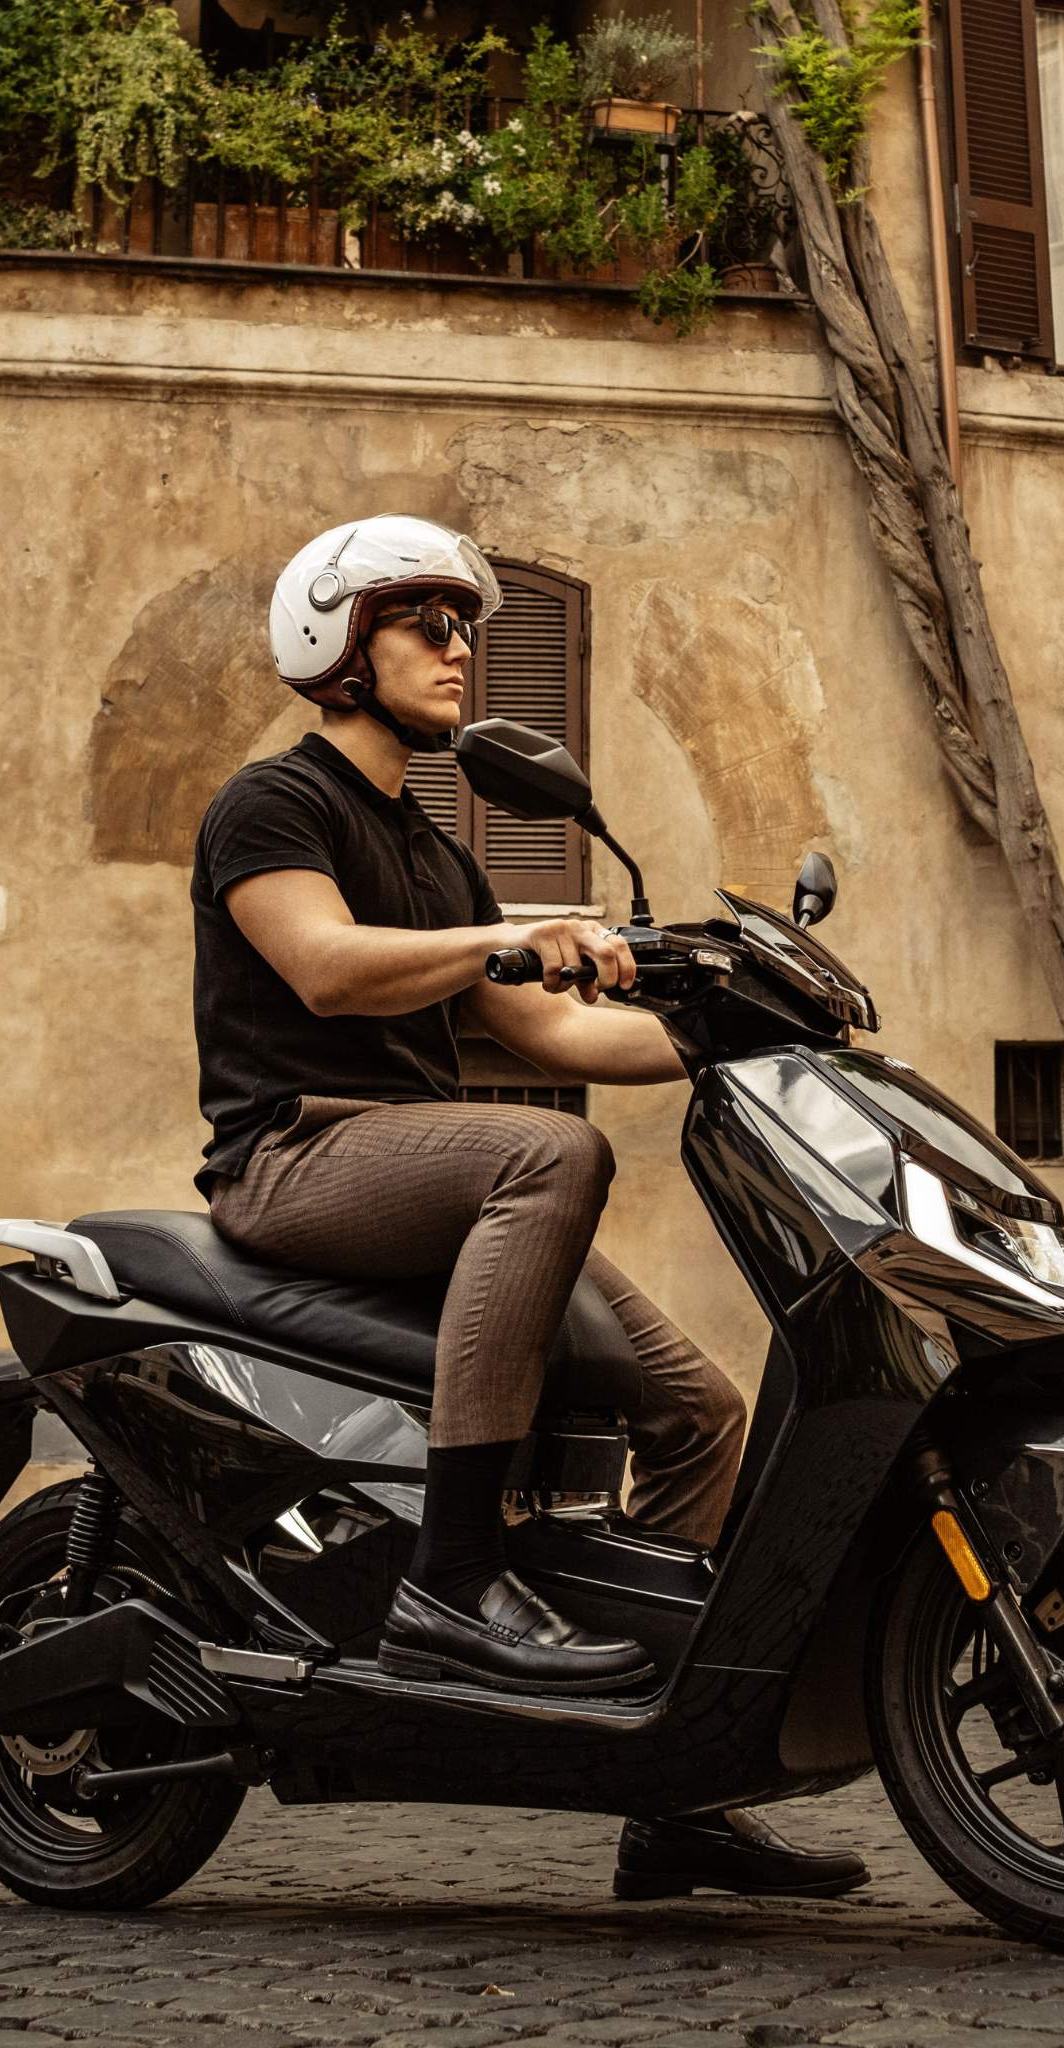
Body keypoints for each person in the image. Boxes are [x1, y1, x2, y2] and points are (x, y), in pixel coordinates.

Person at [190, 514, 868, 1901]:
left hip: (426, 1176)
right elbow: (327, 967)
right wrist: (509, 935)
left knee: (700, 1414)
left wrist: (734, 1040)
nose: (461, 651)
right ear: (339, 646)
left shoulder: (440, 855)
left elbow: (553, 1035)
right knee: (548, 1154)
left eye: (468, 629)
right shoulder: (273, 805)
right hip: (297, 1158)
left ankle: (677, 1793)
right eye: (429, 624)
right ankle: (452, 1580)